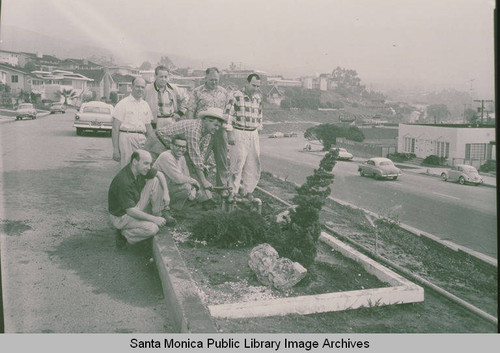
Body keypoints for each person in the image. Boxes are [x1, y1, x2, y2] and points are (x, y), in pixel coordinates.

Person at [156, 107, 226, 208]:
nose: (217, 128)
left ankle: (201, 198)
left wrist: (203, 167)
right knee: (156, 176)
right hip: (159, 142)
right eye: (215, 125)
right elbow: (195, 157)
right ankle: (158, 205)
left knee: (194, 169)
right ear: (206, 121)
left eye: (219, 126)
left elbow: (201, 155)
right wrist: (204, 181)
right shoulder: (194, 129)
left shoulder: (208, 133)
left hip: (174, 146)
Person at [108, 150, 176, 248]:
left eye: (150, 164)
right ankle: (125, 235)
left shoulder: (138, 170)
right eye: (146, 163)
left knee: (155, 180)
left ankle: (159, 213)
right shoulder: (124, 181)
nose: (149, 167)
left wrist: (166, 192)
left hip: (134, 205)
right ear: (135, 162)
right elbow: (130, 211)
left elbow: (160, 174)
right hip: (121, 216)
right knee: (153, 229)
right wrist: (154, 219)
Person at [225, 73, 263, 201]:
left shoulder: (258, 98)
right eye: (253, 85)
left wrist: (258, 131)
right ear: (246, 83)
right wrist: (229, 132)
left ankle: (248, 191)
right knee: (237, 163)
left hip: (253, 133)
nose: (256, 88)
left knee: (253, 163)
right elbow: (228, 116)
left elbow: (259, 116)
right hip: (239, 131)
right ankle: (233, 191)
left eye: (258, 86)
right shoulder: (236, 96)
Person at [192, 67, 231, 189]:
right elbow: (191, 111)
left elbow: (228, 112)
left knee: (222, 160)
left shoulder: (224, 92)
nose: (214, 82)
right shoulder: (197, 92)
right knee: (201, 159)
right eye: (212, 80)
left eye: (216, 80)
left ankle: (222, 189)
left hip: (220, 131)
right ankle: (201, 189)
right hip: (204, 131)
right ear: (206, 78)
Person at [112, 77, 154, 168]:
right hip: (127, 138)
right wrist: (115, 150)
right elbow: (115, 128)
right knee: (127, 167)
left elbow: (148, 127)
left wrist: (152, 143)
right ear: (132, 87)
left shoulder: (145, 105)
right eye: (137, 86)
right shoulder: (123, 103)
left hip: (142, 139)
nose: (140, 89)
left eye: (142, 87)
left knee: (142, 167)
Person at [153, 136, 201, 214]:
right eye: (178, 146)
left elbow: (187, 176)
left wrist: (193, 189)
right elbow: (178, 179)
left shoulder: (182, 158)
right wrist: (194, 182)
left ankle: (174, 210)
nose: (181, 149)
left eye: (183, 147)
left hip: (169, 187)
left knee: (191, 189)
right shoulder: (166, 156)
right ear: (171, 146)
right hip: (158, 189)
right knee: (186, 187)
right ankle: (166, 210)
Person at [144, 65, 189, 130]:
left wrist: (180, 113)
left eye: (165, 77)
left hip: (170, 121)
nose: (163, 79)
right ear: (155, 76)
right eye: (161, 77)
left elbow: (186, 98)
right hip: (155, 122)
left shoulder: (173, 88)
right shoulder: (147, 89)